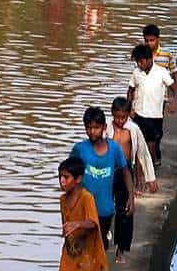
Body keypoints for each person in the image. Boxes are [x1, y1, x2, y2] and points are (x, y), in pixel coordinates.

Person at [70, 106, 134, 252]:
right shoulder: (79, 149)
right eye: (89, 128)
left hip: (105, 208)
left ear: (104, 127)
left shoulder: (114, 149)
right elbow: (68, 172)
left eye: (96, 127)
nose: (92, 132)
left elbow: (125, 172)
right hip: (84, 207)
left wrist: (130, 197)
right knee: (83, 246)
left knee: (100, 242)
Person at [105, 97, 158, 264]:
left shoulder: (133, 130)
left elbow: (142, 152)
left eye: (123, 117)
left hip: (125, 171)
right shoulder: (106, 127)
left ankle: (121, 249)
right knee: (104, 206)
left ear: (128, 115)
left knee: (126, 209)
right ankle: (105, 235)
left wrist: (150, 177)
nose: (120, 121)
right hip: (107, 169)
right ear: (112, 114)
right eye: (117, 117)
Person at [127, 45, 177, 166]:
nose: (139, 64)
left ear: (150, 59)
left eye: (141, 61)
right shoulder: (136, 73)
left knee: (154, 140)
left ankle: (154, 158)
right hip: (139, 113)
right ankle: (144, 164)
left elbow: (173, 87)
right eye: (137, 62)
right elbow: (131, 90)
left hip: (155, 115)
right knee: (142, 140)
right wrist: (129, 108)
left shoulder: (161, 72)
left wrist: (173, 101)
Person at [58, 157, 109, 271]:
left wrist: (78, 224)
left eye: (66, 177)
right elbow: (66, 225)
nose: (62, 181)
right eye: (60, 176)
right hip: (70, 252)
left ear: (78, 179)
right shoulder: (63, 199)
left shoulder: (86, 197)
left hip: (87, 253)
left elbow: (93, 223)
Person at [142, 24, 177, 166]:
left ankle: (155, 155)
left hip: (160, 100)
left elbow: (175, 75)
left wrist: (175, 99)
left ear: (158, 40)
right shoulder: (142, 56)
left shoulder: (166, 55)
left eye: (152, 40)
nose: (149, 43)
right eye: (146, 40)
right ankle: (150, 159)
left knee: (157, 131)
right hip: (144, 100)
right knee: (146, 130)